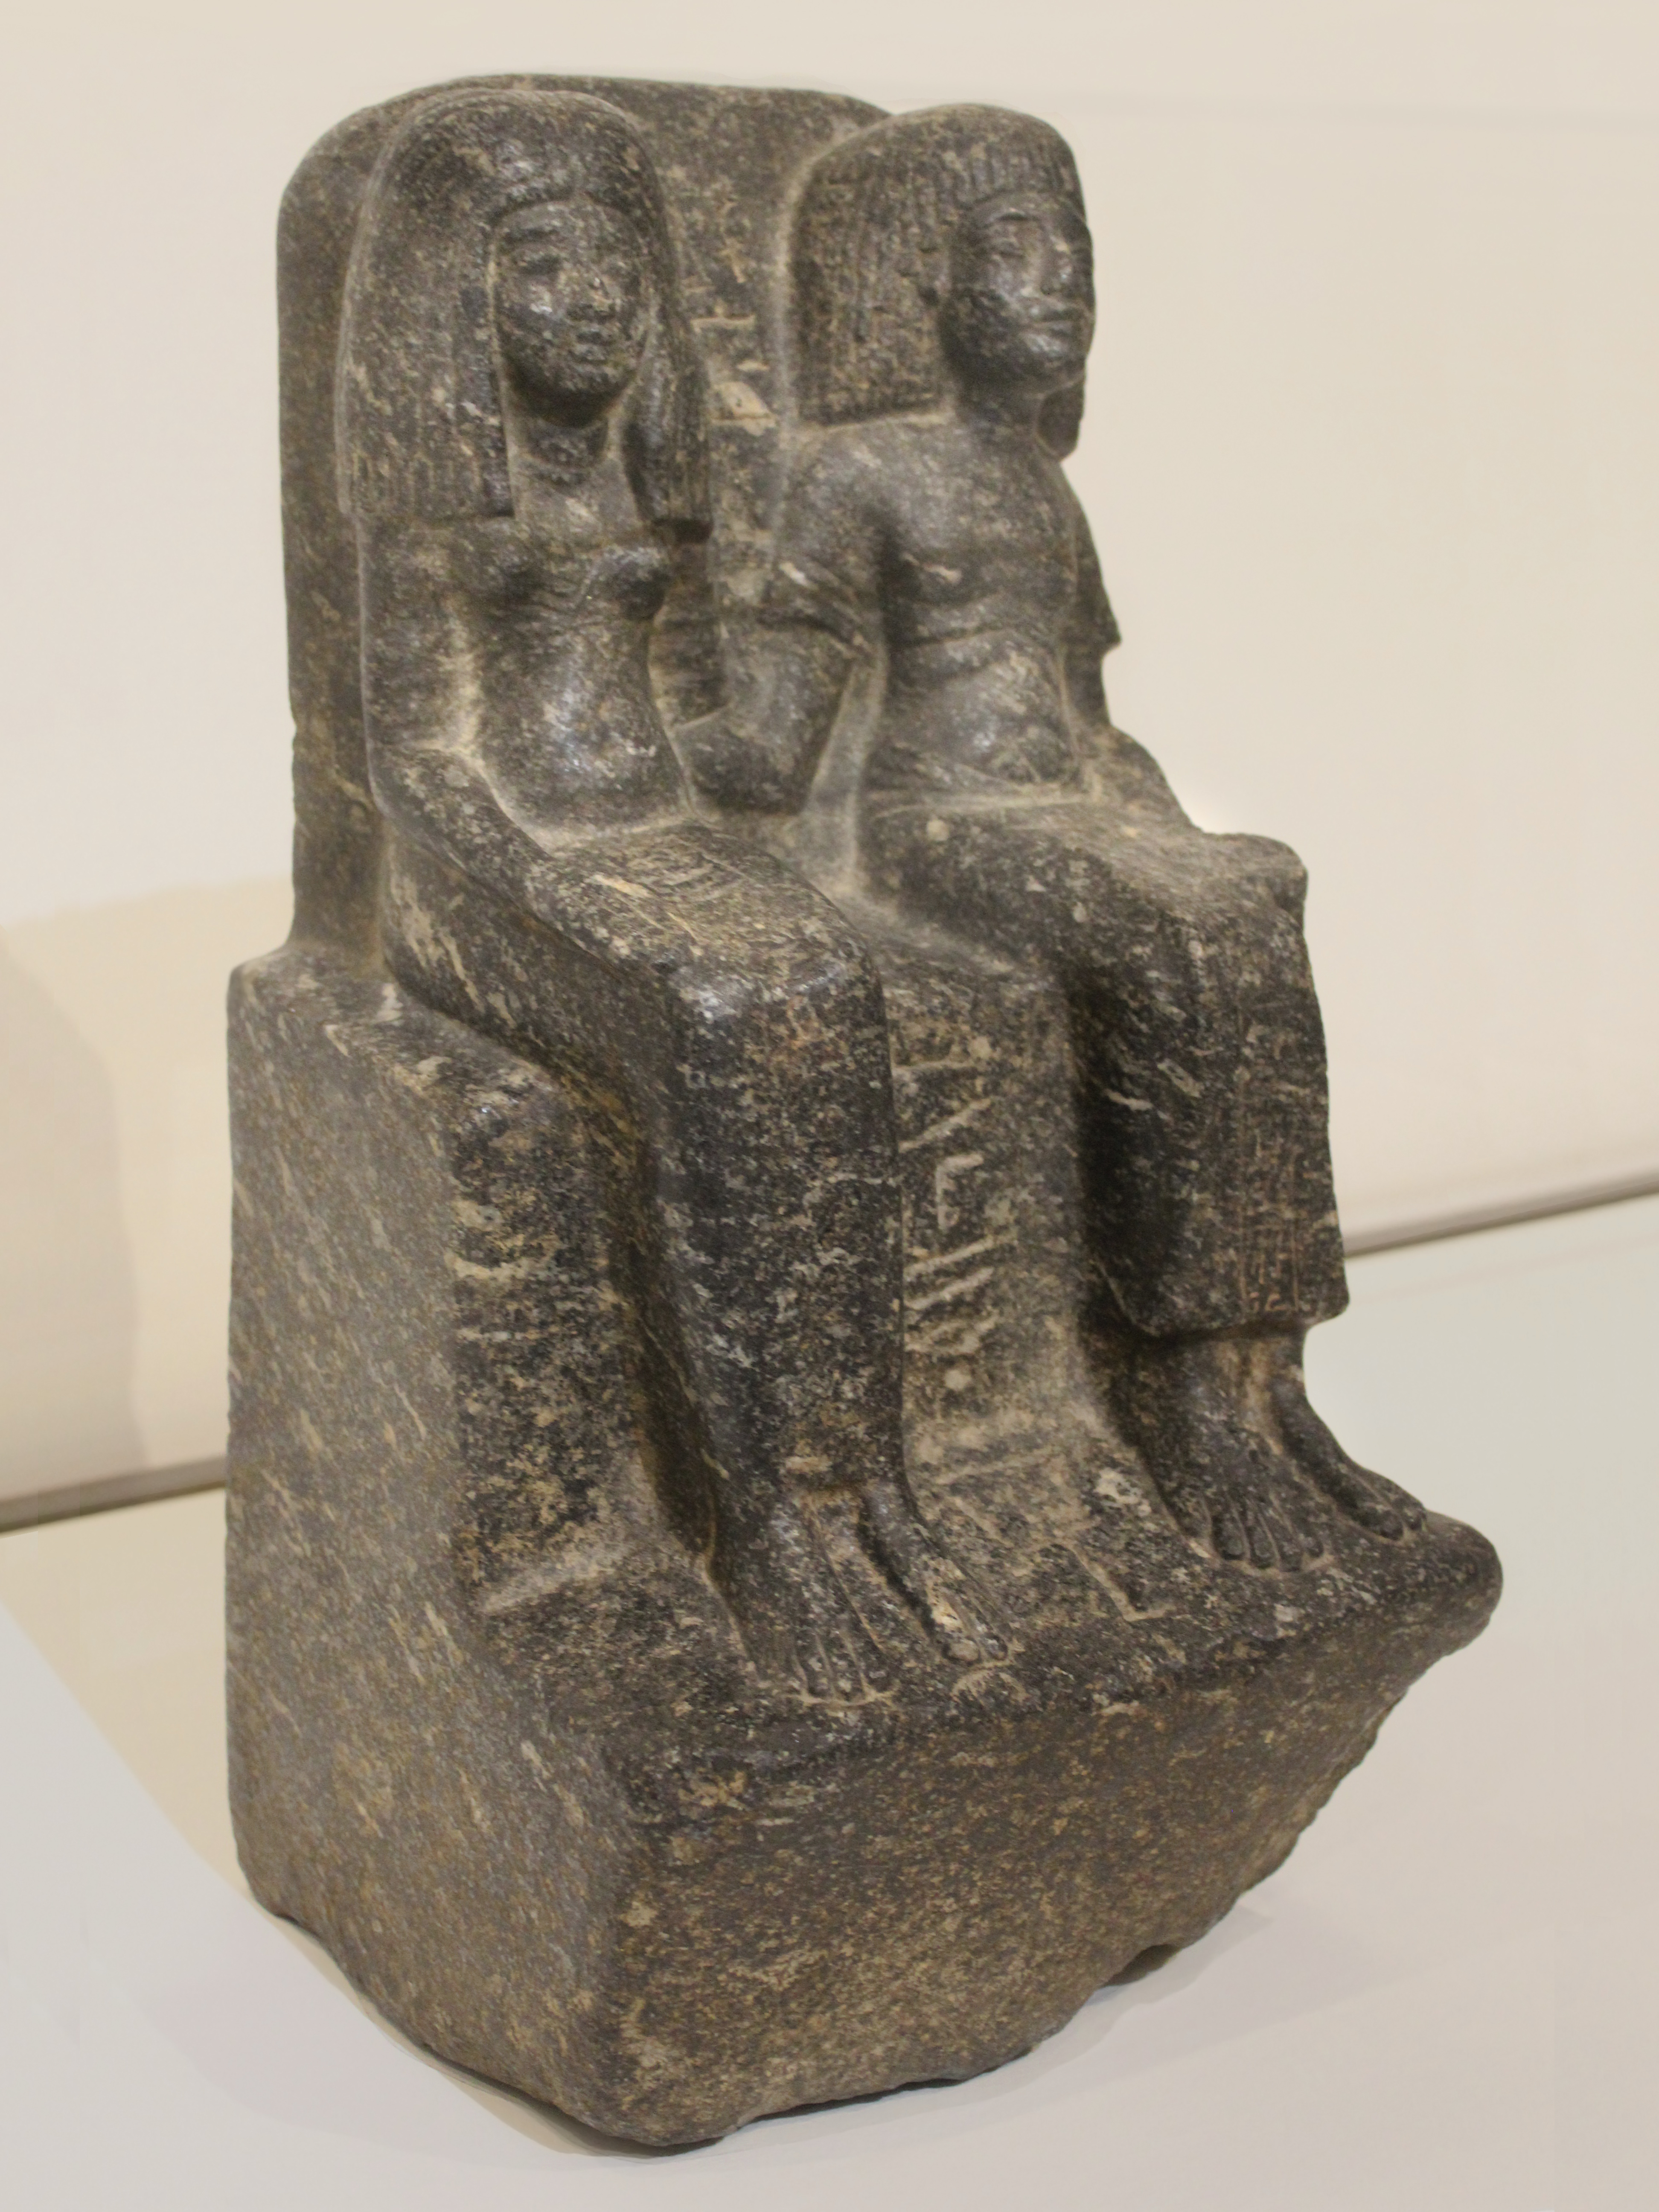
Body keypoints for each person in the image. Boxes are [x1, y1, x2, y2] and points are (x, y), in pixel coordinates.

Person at [682, 105, 1422, 1570]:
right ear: (931, 292)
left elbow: (1088, 720)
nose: (1059, 279)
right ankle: (1182, 1401)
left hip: (1059, 808)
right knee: (1185, 929)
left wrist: (1171, 824)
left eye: (1073, 251)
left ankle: (1260, 1387)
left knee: (1250, 897)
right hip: (933, 824)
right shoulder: (859, 474)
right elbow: (774, 746)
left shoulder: (1041, 484)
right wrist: (632, 754)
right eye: (1015, 247)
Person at [339, 87, 998, 1694]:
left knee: (825, 985)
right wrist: (554, 884)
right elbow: (413, 761)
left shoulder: (650, 485)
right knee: (728, 1009)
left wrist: (803, 727)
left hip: (654, 834)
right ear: (467, 301)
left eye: (620, 271)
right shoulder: (441, 502)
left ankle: (861, 1489)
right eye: (545, 270)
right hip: (486, 869)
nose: (594, 304)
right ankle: (764, 1518)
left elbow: (715, 729)